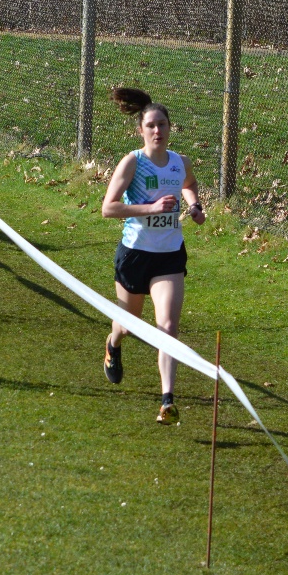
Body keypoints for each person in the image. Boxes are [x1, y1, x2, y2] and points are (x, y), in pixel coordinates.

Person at [100, 87, 206, 425]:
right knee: (129, 325)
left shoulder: (180, 162)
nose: (157, 131)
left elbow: (189, 183)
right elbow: (108, 208)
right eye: (151, 126)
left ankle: (167, 400)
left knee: (168, 326)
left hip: (169, 256)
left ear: (170, 128)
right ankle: (113, 344)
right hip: (134, 255)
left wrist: (195, 205)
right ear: (141, 130)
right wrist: (150, 208)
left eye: (162, 124)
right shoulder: (133, 162)